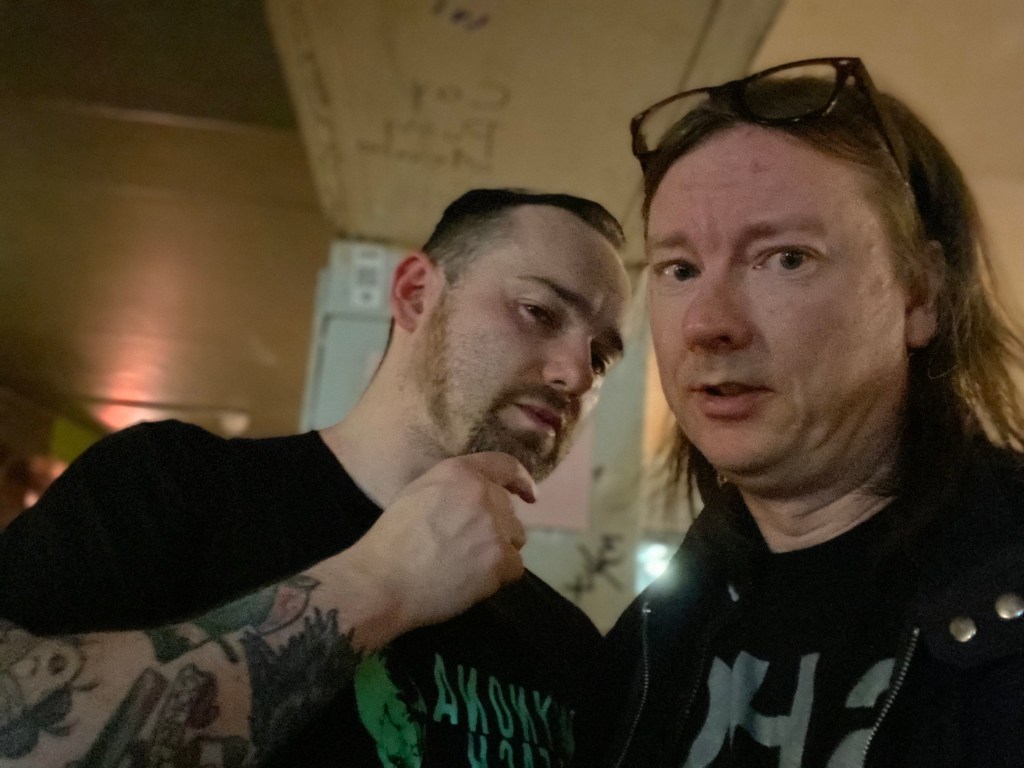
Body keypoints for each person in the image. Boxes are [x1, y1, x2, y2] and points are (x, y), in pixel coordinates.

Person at [0, 188, 631, 767]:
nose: (576, 375)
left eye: (601, 357)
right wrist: (382, 581)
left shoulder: (565, 645)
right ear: (416, 295)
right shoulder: (171, 486)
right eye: (538, 311)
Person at [581, 58, 1024, 767]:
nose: (708, 324)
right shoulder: (647, 642)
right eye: (680, 269)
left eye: (786, 258)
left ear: (920, 295)